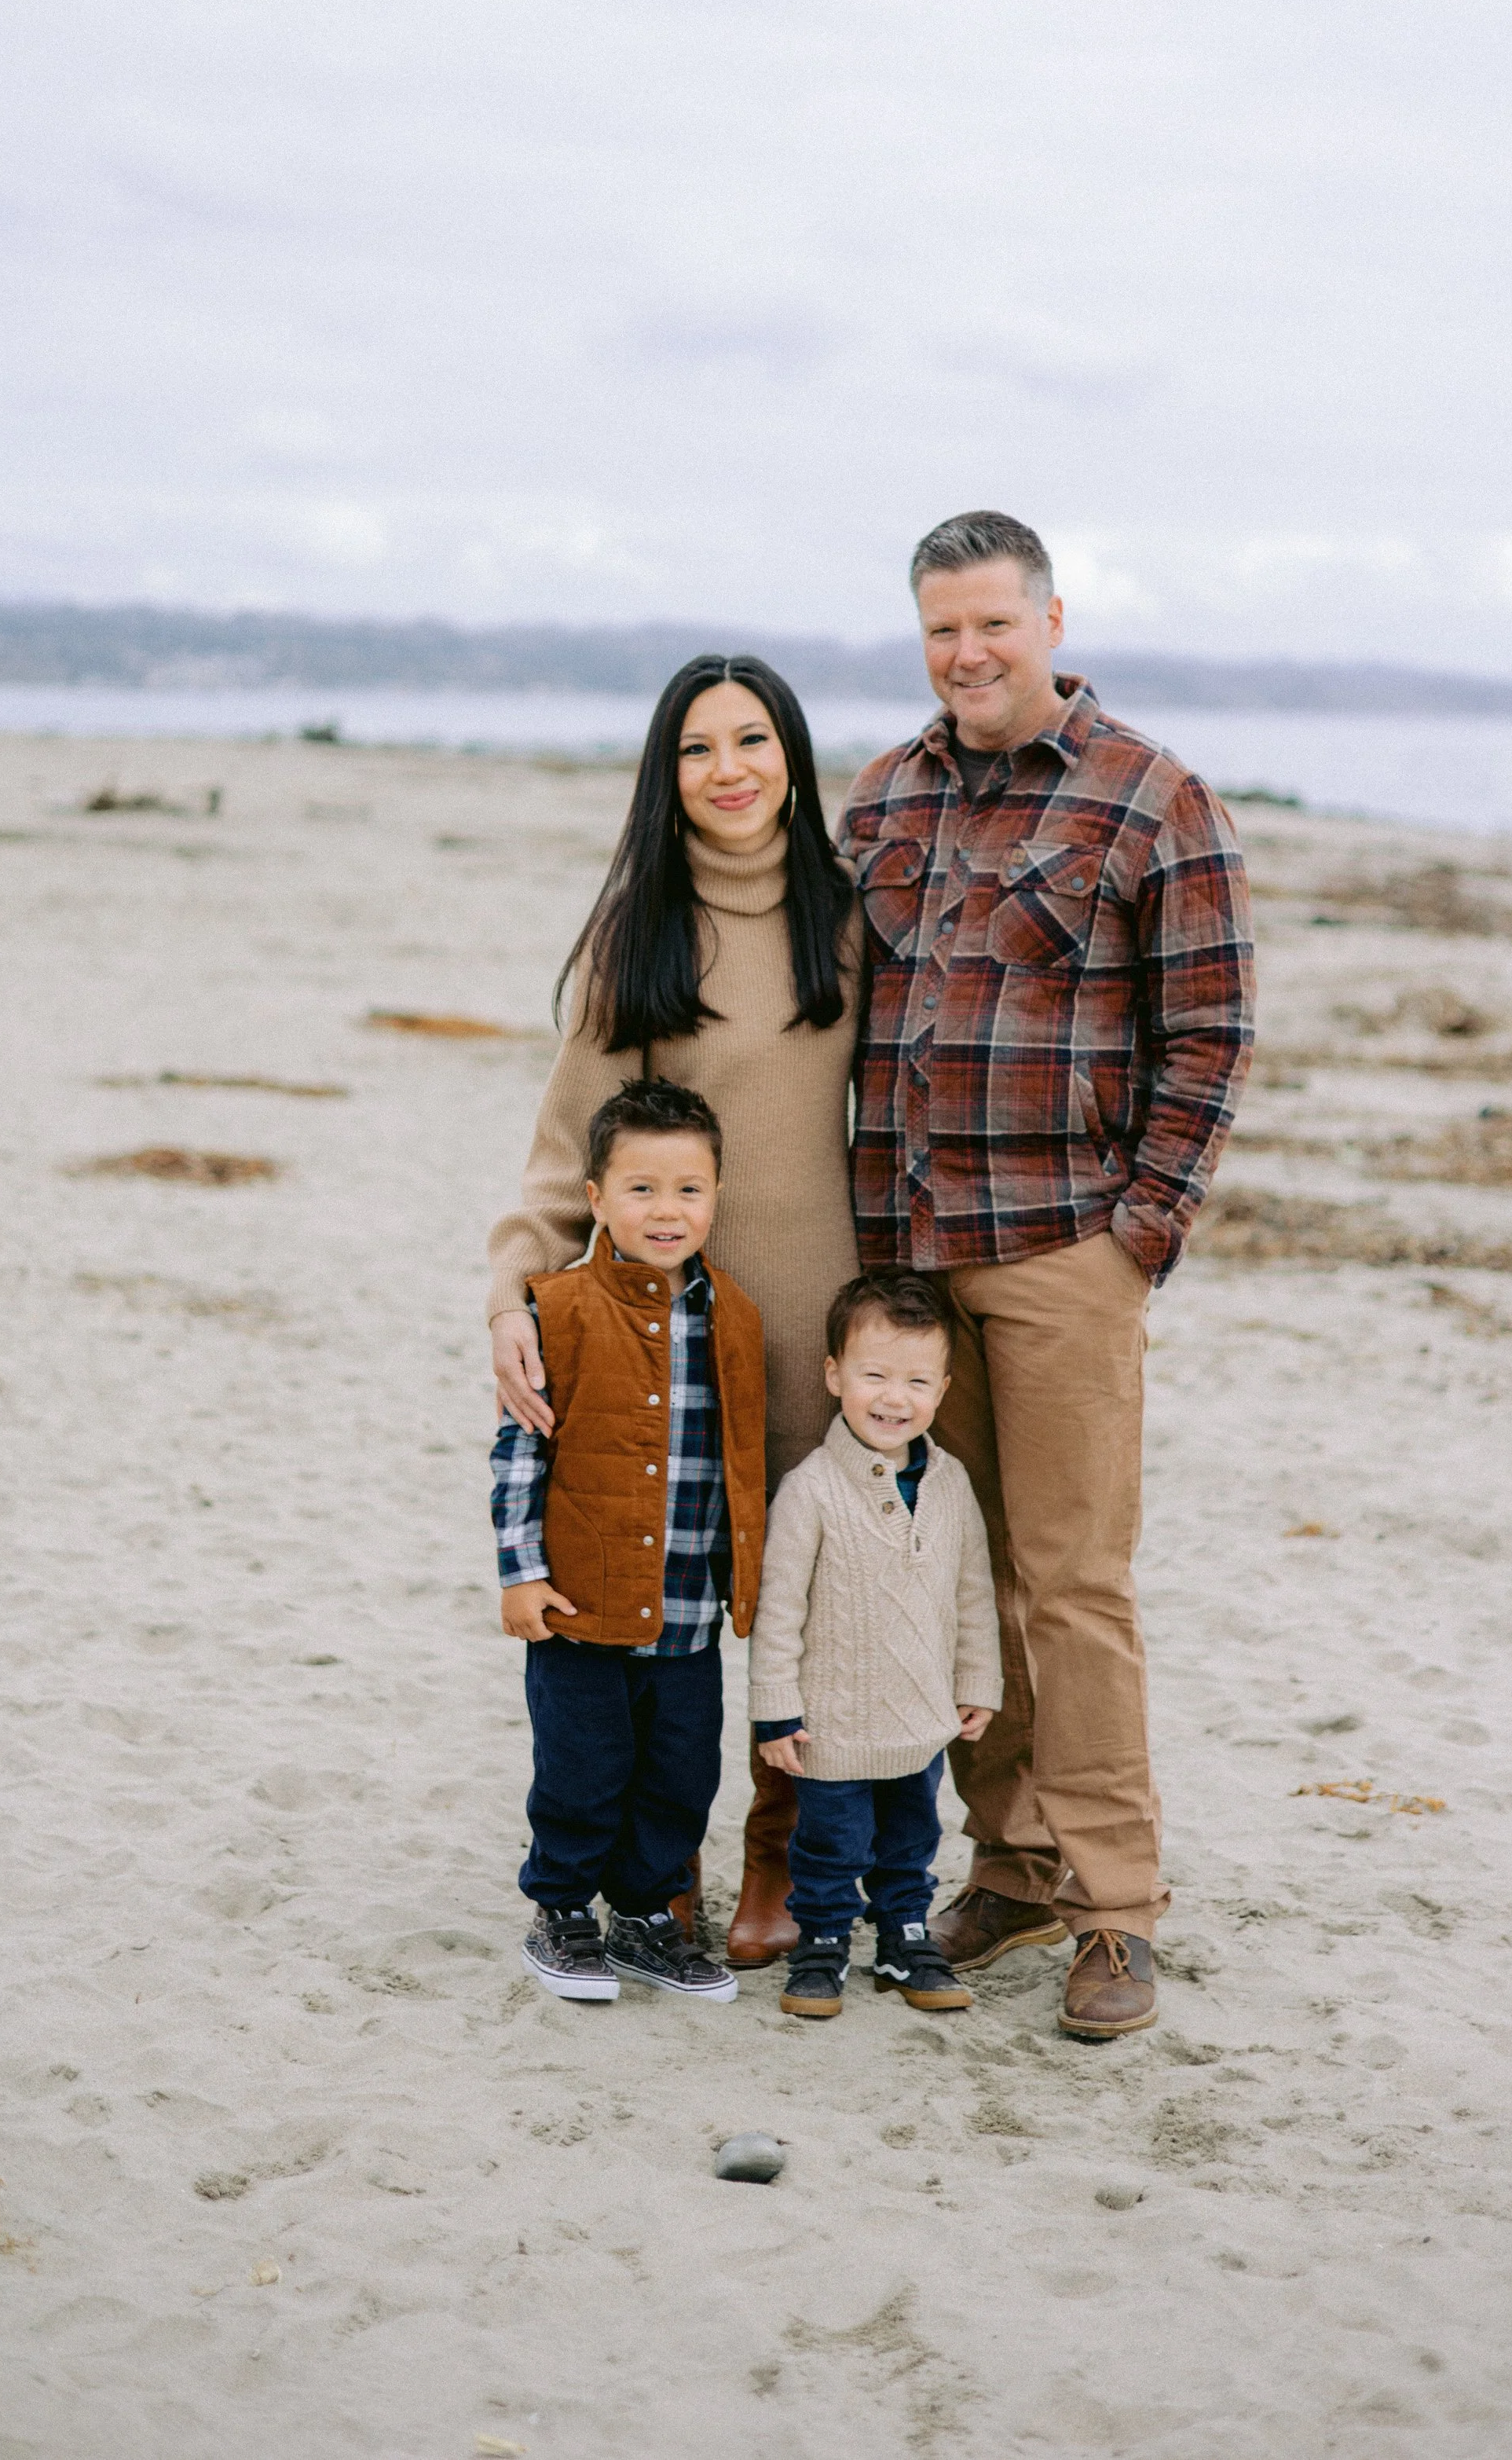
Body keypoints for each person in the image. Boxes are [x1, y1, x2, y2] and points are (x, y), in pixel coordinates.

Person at [837, 511, 1255, 2040]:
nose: (967, 655)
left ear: (1053, 622)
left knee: (1070, 1588)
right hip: (910, 1267)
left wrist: (1139, 1231)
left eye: (993, 626)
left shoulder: (1153, 798)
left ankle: (1113, 1914)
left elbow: (1206, 1037)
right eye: (942, 630)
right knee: (955, 1577)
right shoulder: (881, 797)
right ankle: (1007, 1868)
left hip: (1063, 1252)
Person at [486, 655, 862, 1966]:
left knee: (812, 1598)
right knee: (677, 1603)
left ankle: (779, 1855)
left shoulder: (850, 915)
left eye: (753, 740)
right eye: (699, 749)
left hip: (825, 1318)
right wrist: (513, 1296)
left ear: (794, 758)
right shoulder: (637, 932)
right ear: (669, 775)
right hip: (678, 1333)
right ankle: (656, 1867)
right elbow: (560, 1149)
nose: (731, 769)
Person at [490, 1077, 764, 2005]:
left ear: (717, 1198)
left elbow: (739, 1463)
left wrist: (750, 1584)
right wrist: (521, 1575)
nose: (665, 1210)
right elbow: (519, 1453)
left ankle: (647, 1918)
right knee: (580, 1770)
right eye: (640, 1189)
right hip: (581, 1603)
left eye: (688, 1190)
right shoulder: (555, 1309)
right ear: (596, 1201)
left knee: (681, 1773)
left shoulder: (736, 1317)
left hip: (689, 1610)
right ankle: (562, 1910)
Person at [749, 1270, 1001, 2020]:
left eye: (918, 1381)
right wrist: (775, 1711)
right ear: (834, 1375)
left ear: (945, 1388)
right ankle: (822, 1940)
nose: (896, 1398)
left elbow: (973, 1593)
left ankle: (904, 1936)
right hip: (833, 1720)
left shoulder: (951, 1483)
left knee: (910, 1838)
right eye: (875, 1376)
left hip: (922, 1716)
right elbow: (780, 1609)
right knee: (831, 1842)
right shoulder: (812, 1488)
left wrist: (977, 1681)